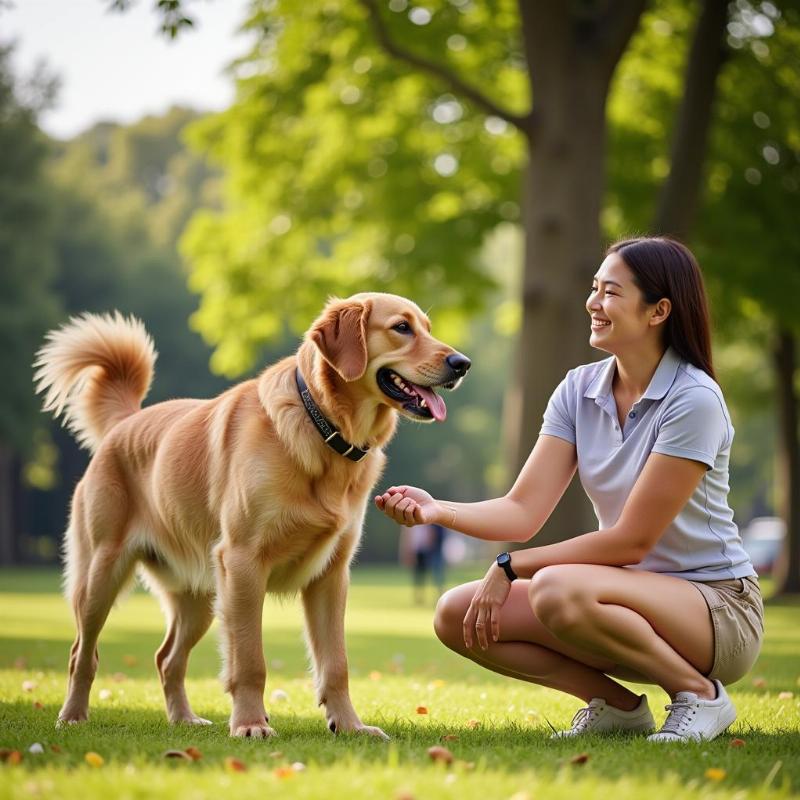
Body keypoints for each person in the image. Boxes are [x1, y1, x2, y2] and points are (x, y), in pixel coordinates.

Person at [375, 237, 764, 743]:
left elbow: (631, 542)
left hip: (718, 610)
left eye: (611, 292)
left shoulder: (694, 399)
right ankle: (618, 708)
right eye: (594, 288)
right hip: (616, 602)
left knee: (561, 587)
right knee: (456, 614)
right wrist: (436, 510)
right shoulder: (578, 389)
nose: (593, 303)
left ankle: (700, 695)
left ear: (658, 311)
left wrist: (509, 566)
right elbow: (521, 510)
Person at [400, 522, 447, 605]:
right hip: (420, 547)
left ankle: (440, 595)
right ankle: (419, 597)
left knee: (437, 571)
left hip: (433, 546)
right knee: (419, 572)